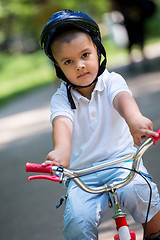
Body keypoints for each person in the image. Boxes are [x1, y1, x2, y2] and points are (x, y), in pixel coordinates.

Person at [40, 10, 160, 240]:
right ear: (58, 67)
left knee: (142, 195)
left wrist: (135, 121)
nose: (79, 65)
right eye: (68, 61)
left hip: (123, 162)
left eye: (85, 54)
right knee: (77, 222)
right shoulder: (61, 98)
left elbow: (124, 101)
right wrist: (61, 151)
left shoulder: (112, 81)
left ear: (97, 50)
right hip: (83, 174)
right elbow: (62, 124)